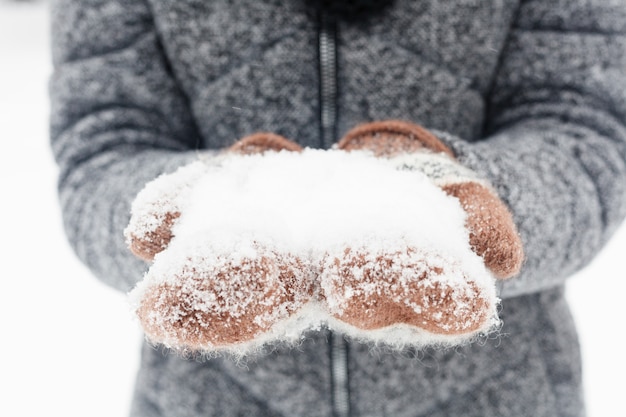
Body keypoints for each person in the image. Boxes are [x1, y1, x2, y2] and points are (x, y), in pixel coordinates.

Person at [49, 0, 626, 416]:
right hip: (204, 399)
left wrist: (469, 191)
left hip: (504, 394)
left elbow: (582, 130)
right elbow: (107, 145)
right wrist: (198, 202)